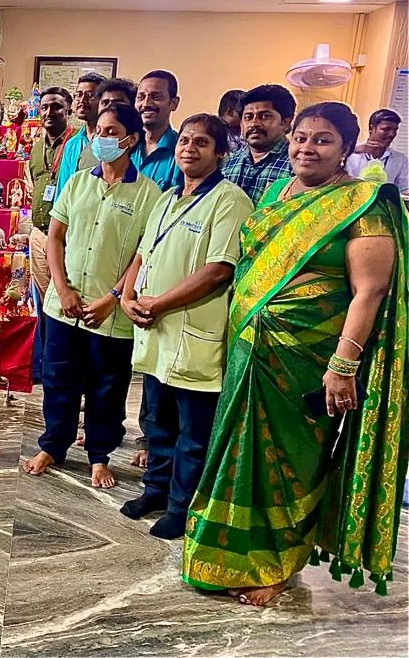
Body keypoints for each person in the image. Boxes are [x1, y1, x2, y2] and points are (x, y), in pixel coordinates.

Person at [183, 101, 408, 606]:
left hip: (307, 356)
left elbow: (370, 290)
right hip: (250, 346)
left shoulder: (362, 204)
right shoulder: (277, 193)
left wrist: (343, 366)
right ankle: (221, 555)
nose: (307, 147)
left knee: (290, 459)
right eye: (301, 137)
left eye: (322, 140)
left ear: (345, 148)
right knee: (235, 448)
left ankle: (276, 563)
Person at [119, 113, 254, 539]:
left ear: (220, 152)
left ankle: (182, 507)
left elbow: (219, 270)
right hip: (156, 331)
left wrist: (158, 302)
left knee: (192, 434)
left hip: (195, 334)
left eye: (201, 143)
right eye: (185, 141)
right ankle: (155, 490)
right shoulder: (166, 198)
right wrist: (126, 297)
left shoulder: (230, 201)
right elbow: (143, 253)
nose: (189, 149)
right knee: (156, 422)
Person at [22, 103, 162, 487]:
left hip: (109, 311)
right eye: (99, 131)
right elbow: (55, 237)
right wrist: (62, 289)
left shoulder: (149, 195)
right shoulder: (77, 183)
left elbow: (142, 255)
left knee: (107, 387)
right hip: (64, 306)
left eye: (111, 132)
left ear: (131, 140)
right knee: (59, 380)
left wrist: (112, 298)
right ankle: (54, 445)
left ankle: (99, 455)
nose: (102, 138)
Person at [26, 87, 72, 382]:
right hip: (39, 233)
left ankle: (63, 368)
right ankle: (45, 366)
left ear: (68, 110)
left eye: (56, 106)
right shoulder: (36, 148)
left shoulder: (75, 145)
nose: (49, 112)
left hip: (66, 237)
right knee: (43, 303)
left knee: (64, 300)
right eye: (44, 107)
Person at [221, 84, 295, 203]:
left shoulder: (296, 165)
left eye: (265, 116)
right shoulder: (228, 162)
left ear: (286, 122)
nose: (254, 124)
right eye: (248, 117)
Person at [53, 72, 106, 193]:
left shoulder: (110, 143)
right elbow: (63, 189)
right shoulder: (72, 144)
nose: (82, 100)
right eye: (79, 95)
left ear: (103, 100)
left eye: (90, 95)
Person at [133, 70, 184, 191]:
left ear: (174, 103)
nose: (146, 104)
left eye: (156, 97)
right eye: (141, 97)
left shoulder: (182, 152)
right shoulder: (126, 146)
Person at [346, 108, 407, 191]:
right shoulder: (350, 154)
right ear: (371, 129)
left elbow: (404, 189)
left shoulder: (400, 159)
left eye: (395, 130)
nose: (392, 134)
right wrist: (352, 150)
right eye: (386, 129)